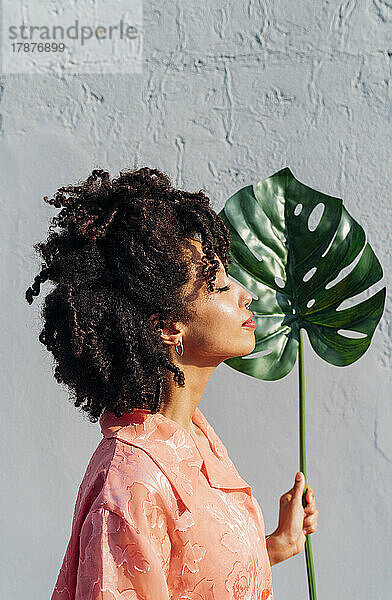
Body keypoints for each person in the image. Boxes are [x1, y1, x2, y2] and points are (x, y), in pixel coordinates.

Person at [25, 167, 318, 600]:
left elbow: (189, 574)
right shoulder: (130, 484)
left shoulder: (193, 434)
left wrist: (275, 545)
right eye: (217, 286)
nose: (245, 294)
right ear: (167, 326)